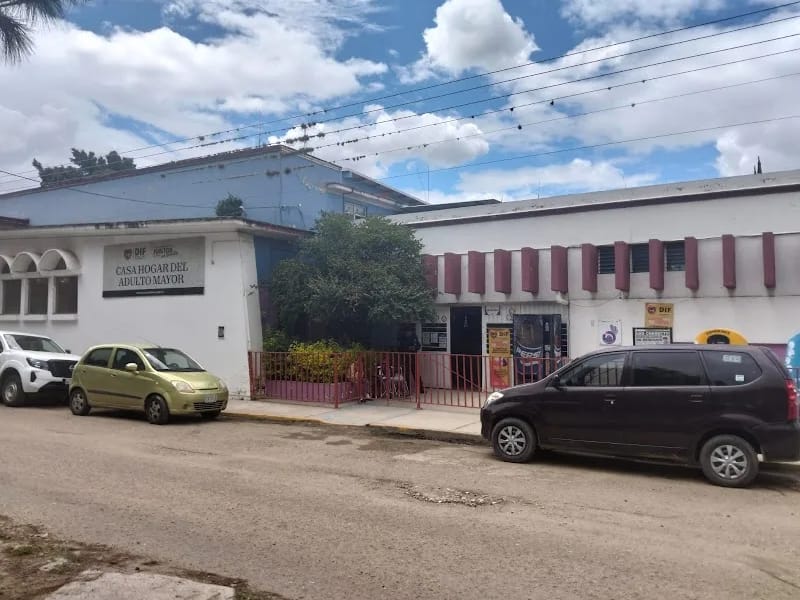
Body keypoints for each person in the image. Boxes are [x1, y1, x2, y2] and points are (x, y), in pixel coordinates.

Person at [398, 328, 424, 395]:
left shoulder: (414, 337)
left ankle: (421, 389)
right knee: (407, 374)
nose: (408, 333)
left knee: (416, 373)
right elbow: (400, 347)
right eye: (407, 331)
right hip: (405, 358)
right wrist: (407, 348)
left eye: (409, 331)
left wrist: (414, 348)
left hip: (413, 357)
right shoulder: (402, 338)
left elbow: (418, 346)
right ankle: (408, 390)